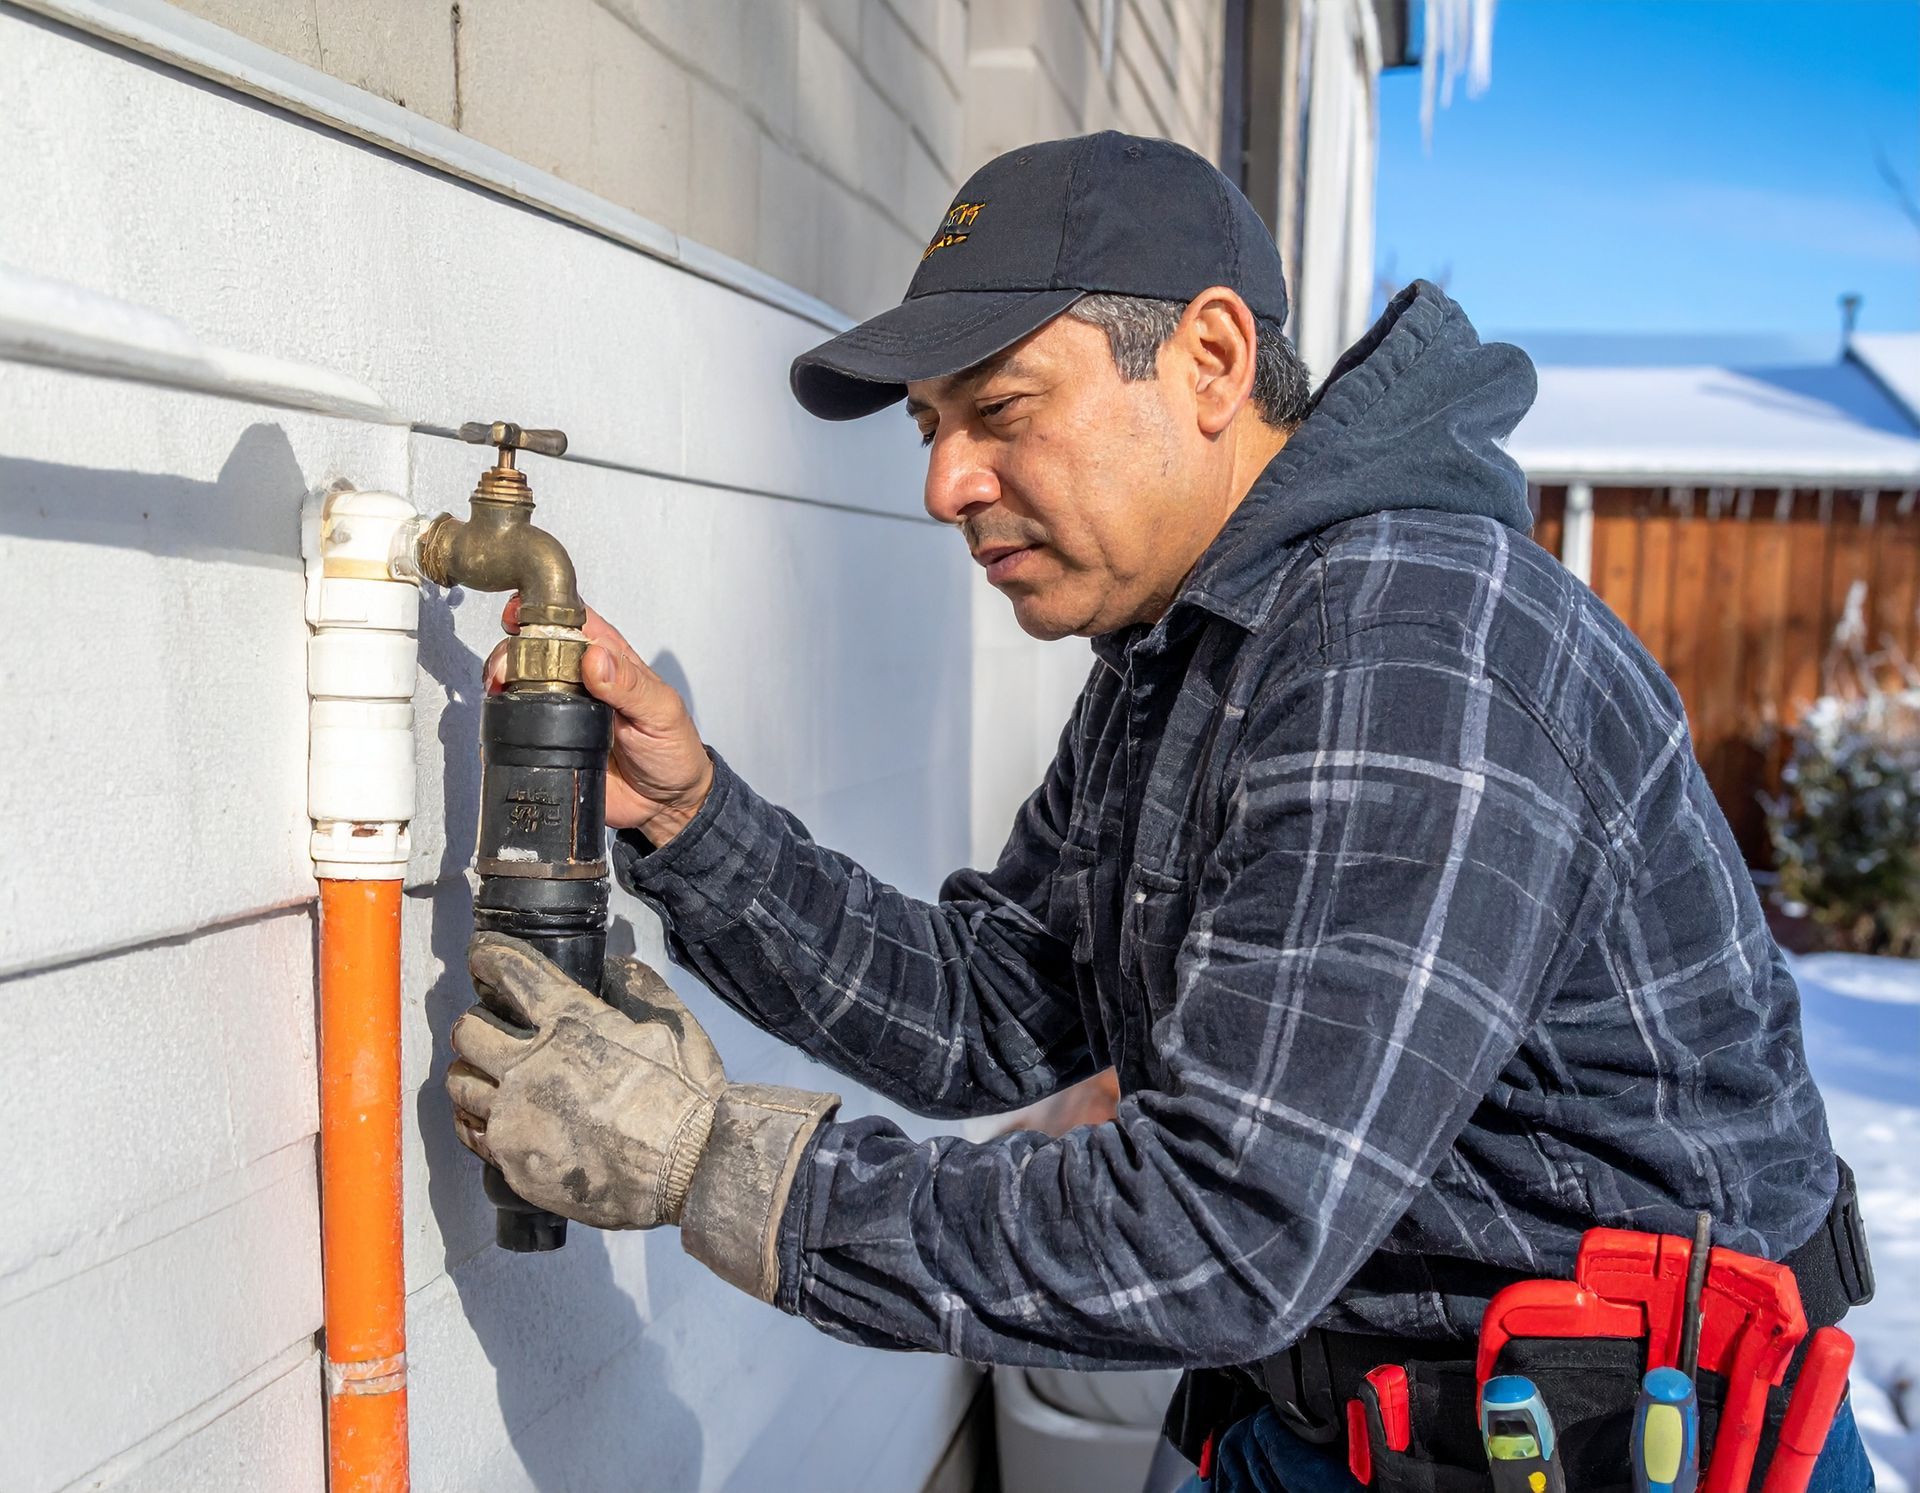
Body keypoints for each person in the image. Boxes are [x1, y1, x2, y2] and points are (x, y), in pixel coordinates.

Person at [444, 133, 1875, 1490]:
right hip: (1333, 1419)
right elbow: (998, 1003)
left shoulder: (1412, 643)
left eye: (998, 410)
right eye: (935, 429)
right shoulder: (1193, 649)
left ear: (1209, 358)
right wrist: (691, 820)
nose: (946, 482)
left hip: (1614, 1451)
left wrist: (714, 1161)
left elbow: (1220, 1222)